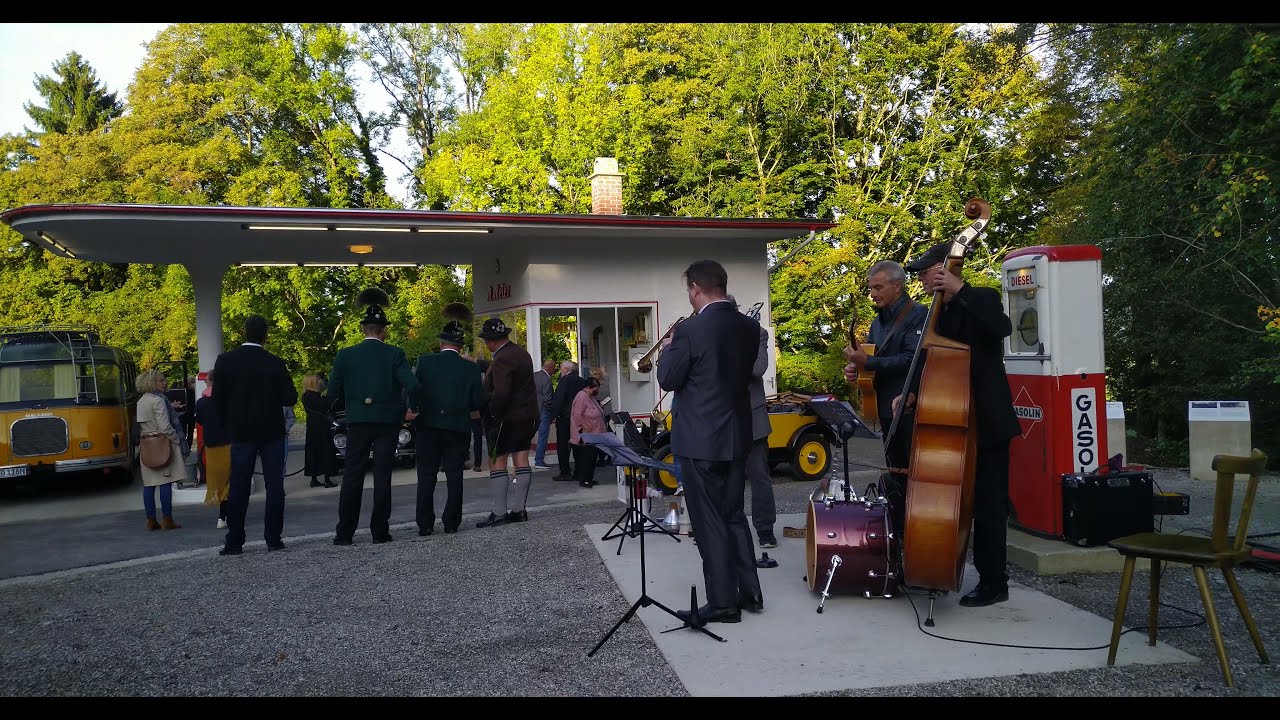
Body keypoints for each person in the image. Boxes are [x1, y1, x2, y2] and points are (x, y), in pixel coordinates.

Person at [898, 242, 1020, 607]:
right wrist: (912, 392)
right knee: (953, 503)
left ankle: (994, 581)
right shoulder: (936, 315)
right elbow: (933, 362)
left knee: (988, 506)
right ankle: (939, 565)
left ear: (946, 270)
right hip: (952, 420)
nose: (921, 280)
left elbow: (1001, 328)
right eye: (920, 274)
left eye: (925, 272)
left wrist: (959, 290)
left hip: (986, 422)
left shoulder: (981, 296)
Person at [657, 259, 763, 625]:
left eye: (689, 290)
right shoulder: (749, 328)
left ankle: (722, 604)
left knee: (709, 522)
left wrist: (670, 345)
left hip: (700, 440)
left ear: (696, 289)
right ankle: (750, 592)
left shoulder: (689, 331)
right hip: (737, 436)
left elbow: (669, 379)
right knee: (733, 514)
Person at [329, 288, 422, 546]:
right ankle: (379, 531)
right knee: (382, 476)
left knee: (352, 476)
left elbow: (333, 390)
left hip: (357, 421)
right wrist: (410, 408)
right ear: (383, 330)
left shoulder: (345, 355)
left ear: (363, 329)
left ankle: (344, 532)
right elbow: (413, 385)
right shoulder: (394, 354)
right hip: (386, 422)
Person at [842, 259, 928, 535]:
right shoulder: (879, 320)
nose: (873, 294)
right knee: (895, 471)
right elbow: (872, 359)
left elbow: (911, 360)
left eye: (878, 287)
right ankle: (899, 531)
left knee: (911, 473)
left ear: (898, 286)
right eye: (871, 288)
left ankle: (915, 533)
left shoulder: (918, 314)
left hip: (909, 406)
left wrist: (867, 362)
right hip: (885, 408)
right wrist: (856, 369)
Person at [213, 314, 298, 555]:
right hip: (271, 430)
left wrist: (227, 426)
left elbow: (218, 399)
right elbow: (289, 397)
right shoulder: (274, 362)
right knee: (274, 485)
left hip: (240, 430)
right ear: (266, 334)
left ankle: (235, 540)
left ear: (244, 332)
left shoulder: (226, 361)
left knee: (239, 486)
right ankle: (273, 538)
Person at [411, 317, 487, 535]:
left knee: (427, 475)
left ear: (442, 343)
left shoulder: (425, 362)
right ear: (460, 345)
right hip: (457, 426)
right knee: (455, 476)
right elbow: (477, 402)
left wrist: (414, 409)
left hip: (429, 425)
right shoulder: (470, 369)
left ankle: (425, 524)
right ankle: (451, 522)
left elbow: (414, 390)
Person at [474, 317, 540, 528]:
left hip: (506, 419)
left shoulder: (502, 359)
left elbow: (501, 391)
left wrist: (493, 414)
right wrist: (477, 363)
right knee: (521, 458)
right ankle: (520, 510)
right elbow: (501, 369)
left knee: (497, 461)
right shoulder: (520, 353)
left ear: (491, 341)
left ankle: (499, 512)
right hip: (527, 416)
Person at [729, 294, 777, 550]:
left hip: (752, 417)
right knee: (725, 480)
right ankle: (726, 530)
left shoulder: (756, 333)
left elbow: (758, 369)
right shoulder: (709, 335)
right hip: (722, 420)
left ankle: (765, 529)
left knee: (759, 477)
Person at [136, 369, 188, 531]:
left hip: (146, 443)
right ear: (152, 383)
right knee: (166, 481)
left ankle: (150, 519)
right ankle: (167, 519)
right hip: (161, 443)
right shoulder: (158, 401)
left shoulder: (141, 401)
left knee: (149, 484)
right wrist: (177, 439)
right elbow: (165, 427)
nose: (165, 383)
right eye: (161, 380)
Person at [193, 370, 231, 529]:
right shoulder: (228, 400)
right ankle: (227, 514)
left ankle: (222, 517)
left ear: (207, 381)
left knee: (217, 481)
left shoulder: (201, 402)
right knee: (230, 480)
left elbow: (199, 421)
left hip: (211, 446)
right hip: (229, 443)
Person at [549, 360, 586, 481]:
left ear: (566, 369)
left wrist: (552, 415)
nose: (560, 370)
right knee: (577, 444)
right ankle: (579, 471)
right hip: (578, 417)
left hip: (565, 417)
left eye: (561, 368)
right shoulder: (581, 381)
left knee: (563, 446)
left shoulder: (564, 380)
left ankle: (565, 472)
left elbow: (559, 399)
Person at [301, 373, 338, 488]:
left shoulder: (306, 396)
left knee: (313, 451)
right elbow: (324, 406)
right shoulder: (313, 397)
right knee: (325, 450)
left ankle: (314, 478)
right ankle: (327, 479)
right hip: (321, 427)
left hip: (312, 427)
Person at [570, 376, 607, 487]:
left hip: (594, 433)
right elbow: (577, 415)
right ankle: (585, 480)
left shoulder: (590, 396)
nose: (597, 391)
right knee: (587, 459)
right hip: (586, 435)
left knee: (592, 458)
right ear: (588, 387)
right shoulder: (582, 396)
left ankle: (589, 478)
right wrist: (585, 427)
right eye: (595, 388)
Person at [532, 358, 556, 470]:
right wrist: (552, 411)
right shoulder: (546, 379)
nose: (554, 370)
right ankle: (539, 460)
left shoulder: (535, 375)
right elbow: (547, 398)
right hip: (544, 410)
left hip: (533, 409)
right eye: (554, 368)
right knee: (543, 436)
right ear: (550, 367)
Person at [470, 358, 490, 471]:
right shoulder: (489, 378)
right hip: (486, 411)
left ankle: (477, 464)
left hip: (476, 411)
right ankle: (491, 460)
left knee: (477, 436)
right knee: (488, 435)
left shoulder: (474, 378)